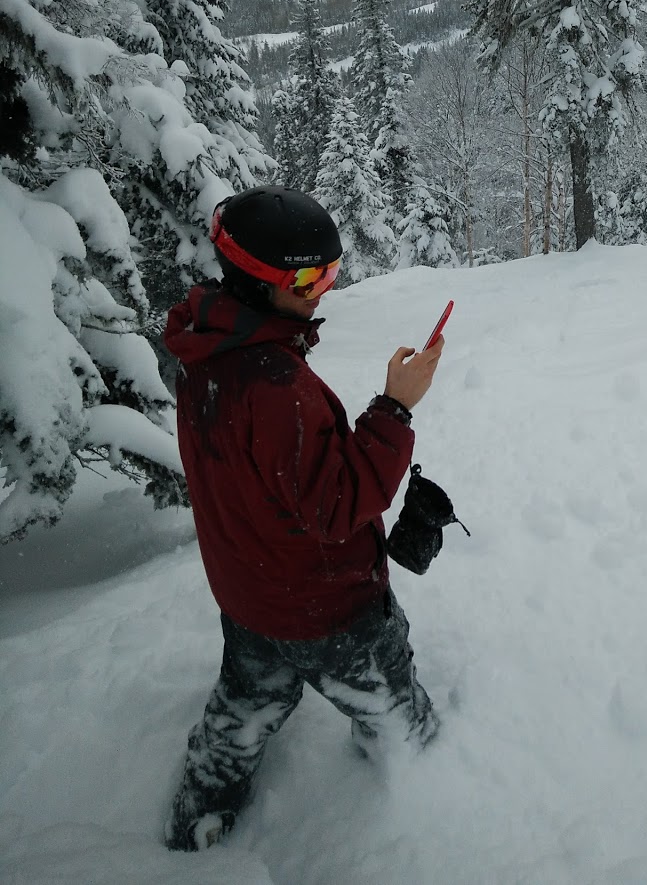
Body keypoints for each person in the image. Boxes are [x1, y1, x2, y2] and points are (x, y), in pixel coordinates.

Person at [162, 185, 443, 852]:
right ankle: (427, 809)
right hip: (329, 611)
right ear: (262, 281)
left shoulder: (206, 358)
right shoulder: (276, 390)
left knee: (244, 707)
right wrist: (395, 409)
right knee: (394, 715)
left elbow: (261, 480)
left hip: (249, 595)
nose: (324, 289)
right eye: (310, 277)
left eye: (332, 273)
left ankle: (196, 819)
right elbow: (339, 503)